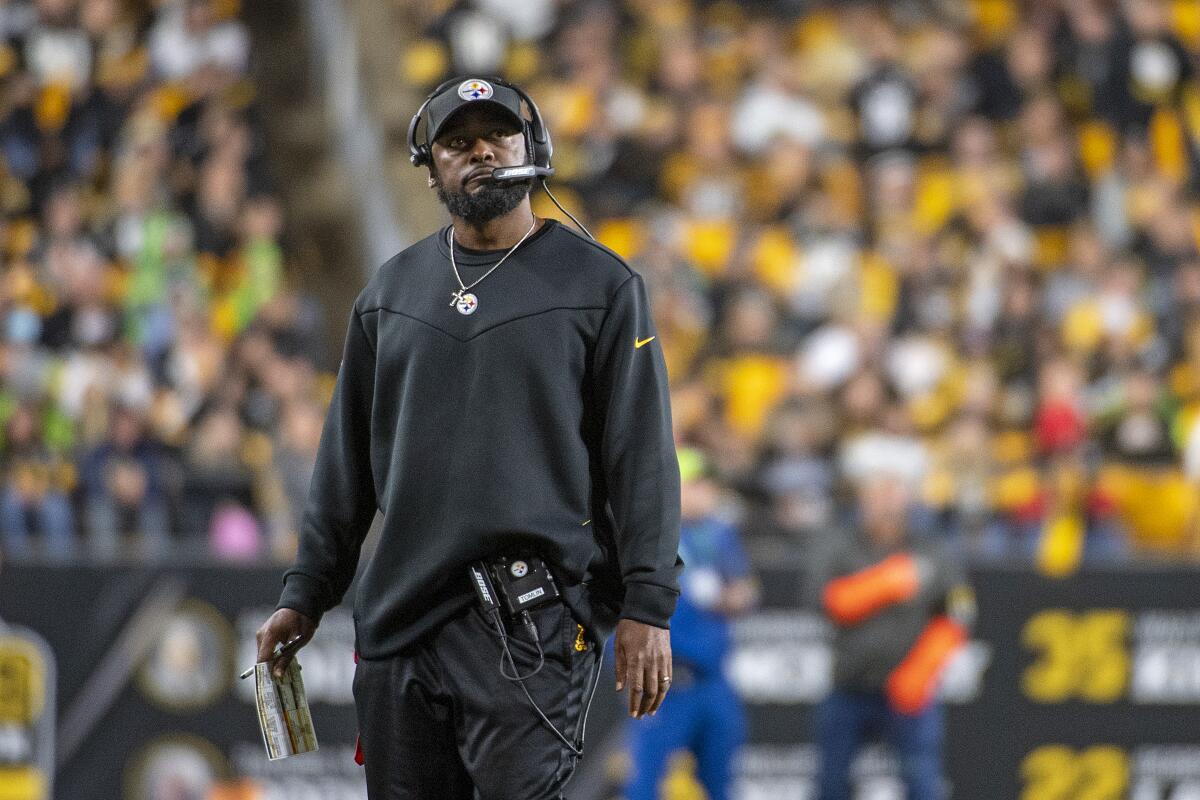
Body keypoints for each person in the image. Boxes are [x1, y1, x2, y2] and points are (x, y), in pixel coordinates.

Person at [254, 75, 682, 800]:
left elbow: (641, 457)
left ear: (532, 149)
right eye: (458, 143)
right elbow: (345, 463)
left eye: (498, 137)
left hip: (532, 621)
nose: (482, 152)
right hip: (400, 620)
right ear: (430, 168)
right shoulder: (391, 291)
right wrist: (307, 590)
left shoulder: (601, 284)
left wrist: (649, 605)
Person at [810, 467, 975, 800]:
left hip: (908, 693)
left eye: (893, 497)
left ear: (908, 504)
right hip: (850, 686)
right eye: (877, 497)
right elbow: (820, 599)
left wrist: (922, 669)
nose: (886, 508)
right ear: (862, 502)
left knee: (921, 783)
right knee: (831, 783)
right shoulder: (840, 543)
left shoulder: (931, 549)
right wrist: (881, 583)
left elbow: (960, 612)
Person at [624, 446, 757, 800]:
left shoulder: (718, 533)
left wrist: (729, 597)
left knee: (721, 782)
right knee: (645, 782)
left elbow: (746, 590)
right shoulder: (647, 537)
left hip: (713, 679)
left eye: (707, 485)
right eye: (695, 485)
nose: (706, 493)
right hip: (663, 680)